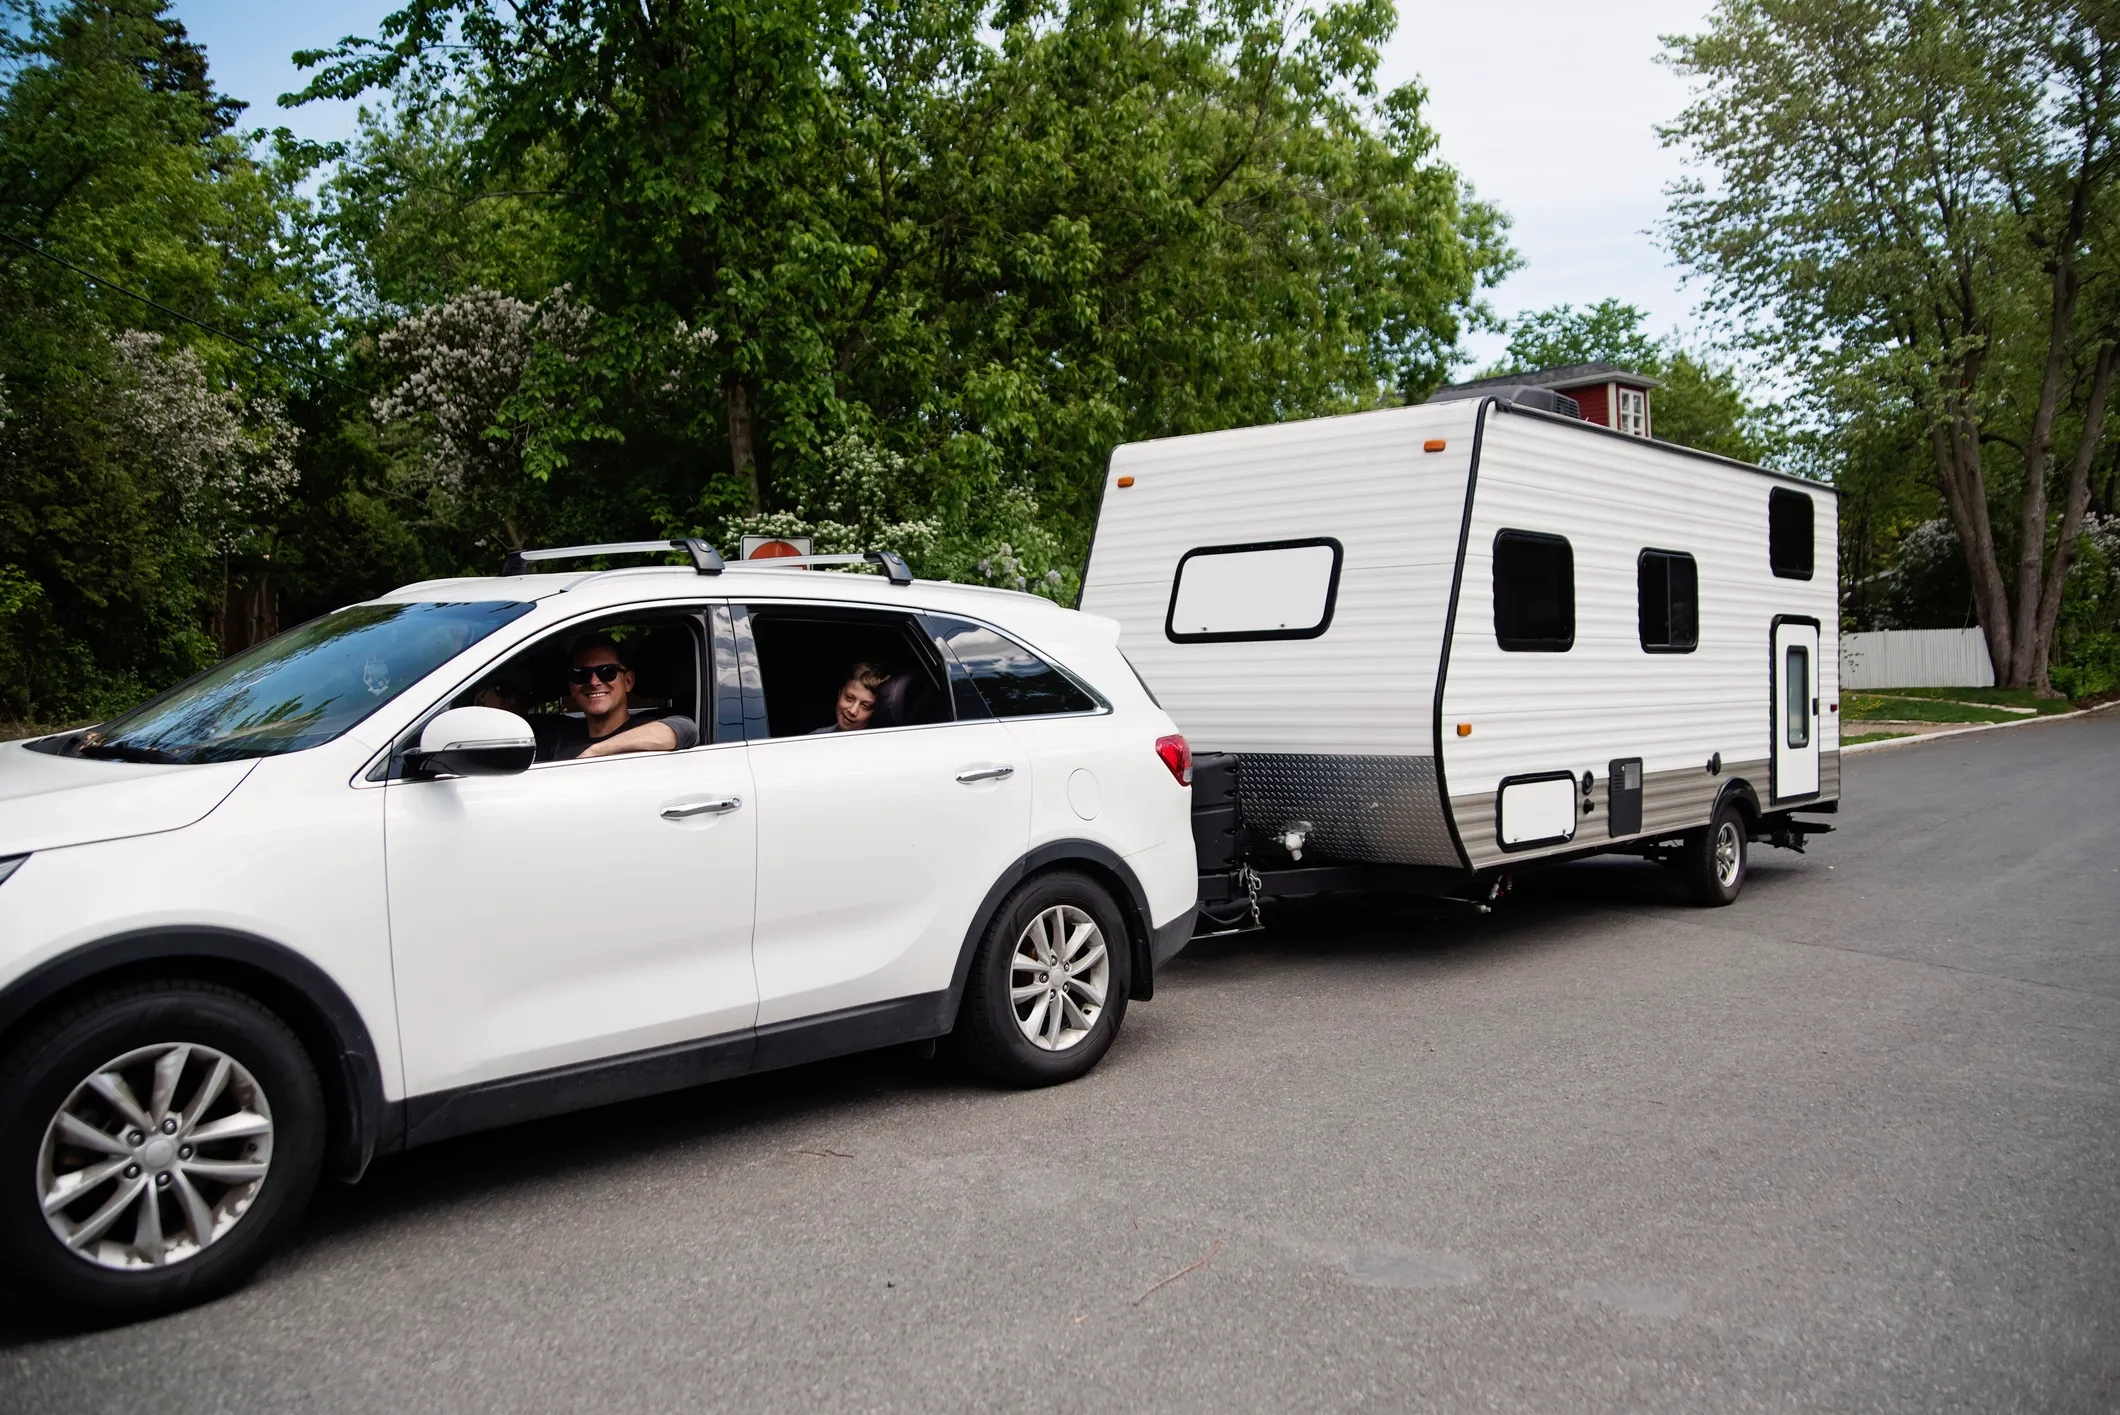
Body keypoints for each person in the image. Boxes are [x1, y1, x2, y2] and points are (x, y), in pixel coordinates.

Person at [540, 635, 699, 760]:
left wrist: (594, 752)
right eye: (580, 675)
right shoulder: (557, 735)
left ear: (628, 681)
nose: (594, 682)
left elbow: (686, 730)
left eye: (607, 672)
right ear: (571, 687)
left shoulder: (646, 727)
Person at [811, 663, 889, 733]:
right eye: (849, 698)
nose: (852, 711)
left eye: (865, 706)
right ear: (839, 694)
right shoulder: (816, 736)